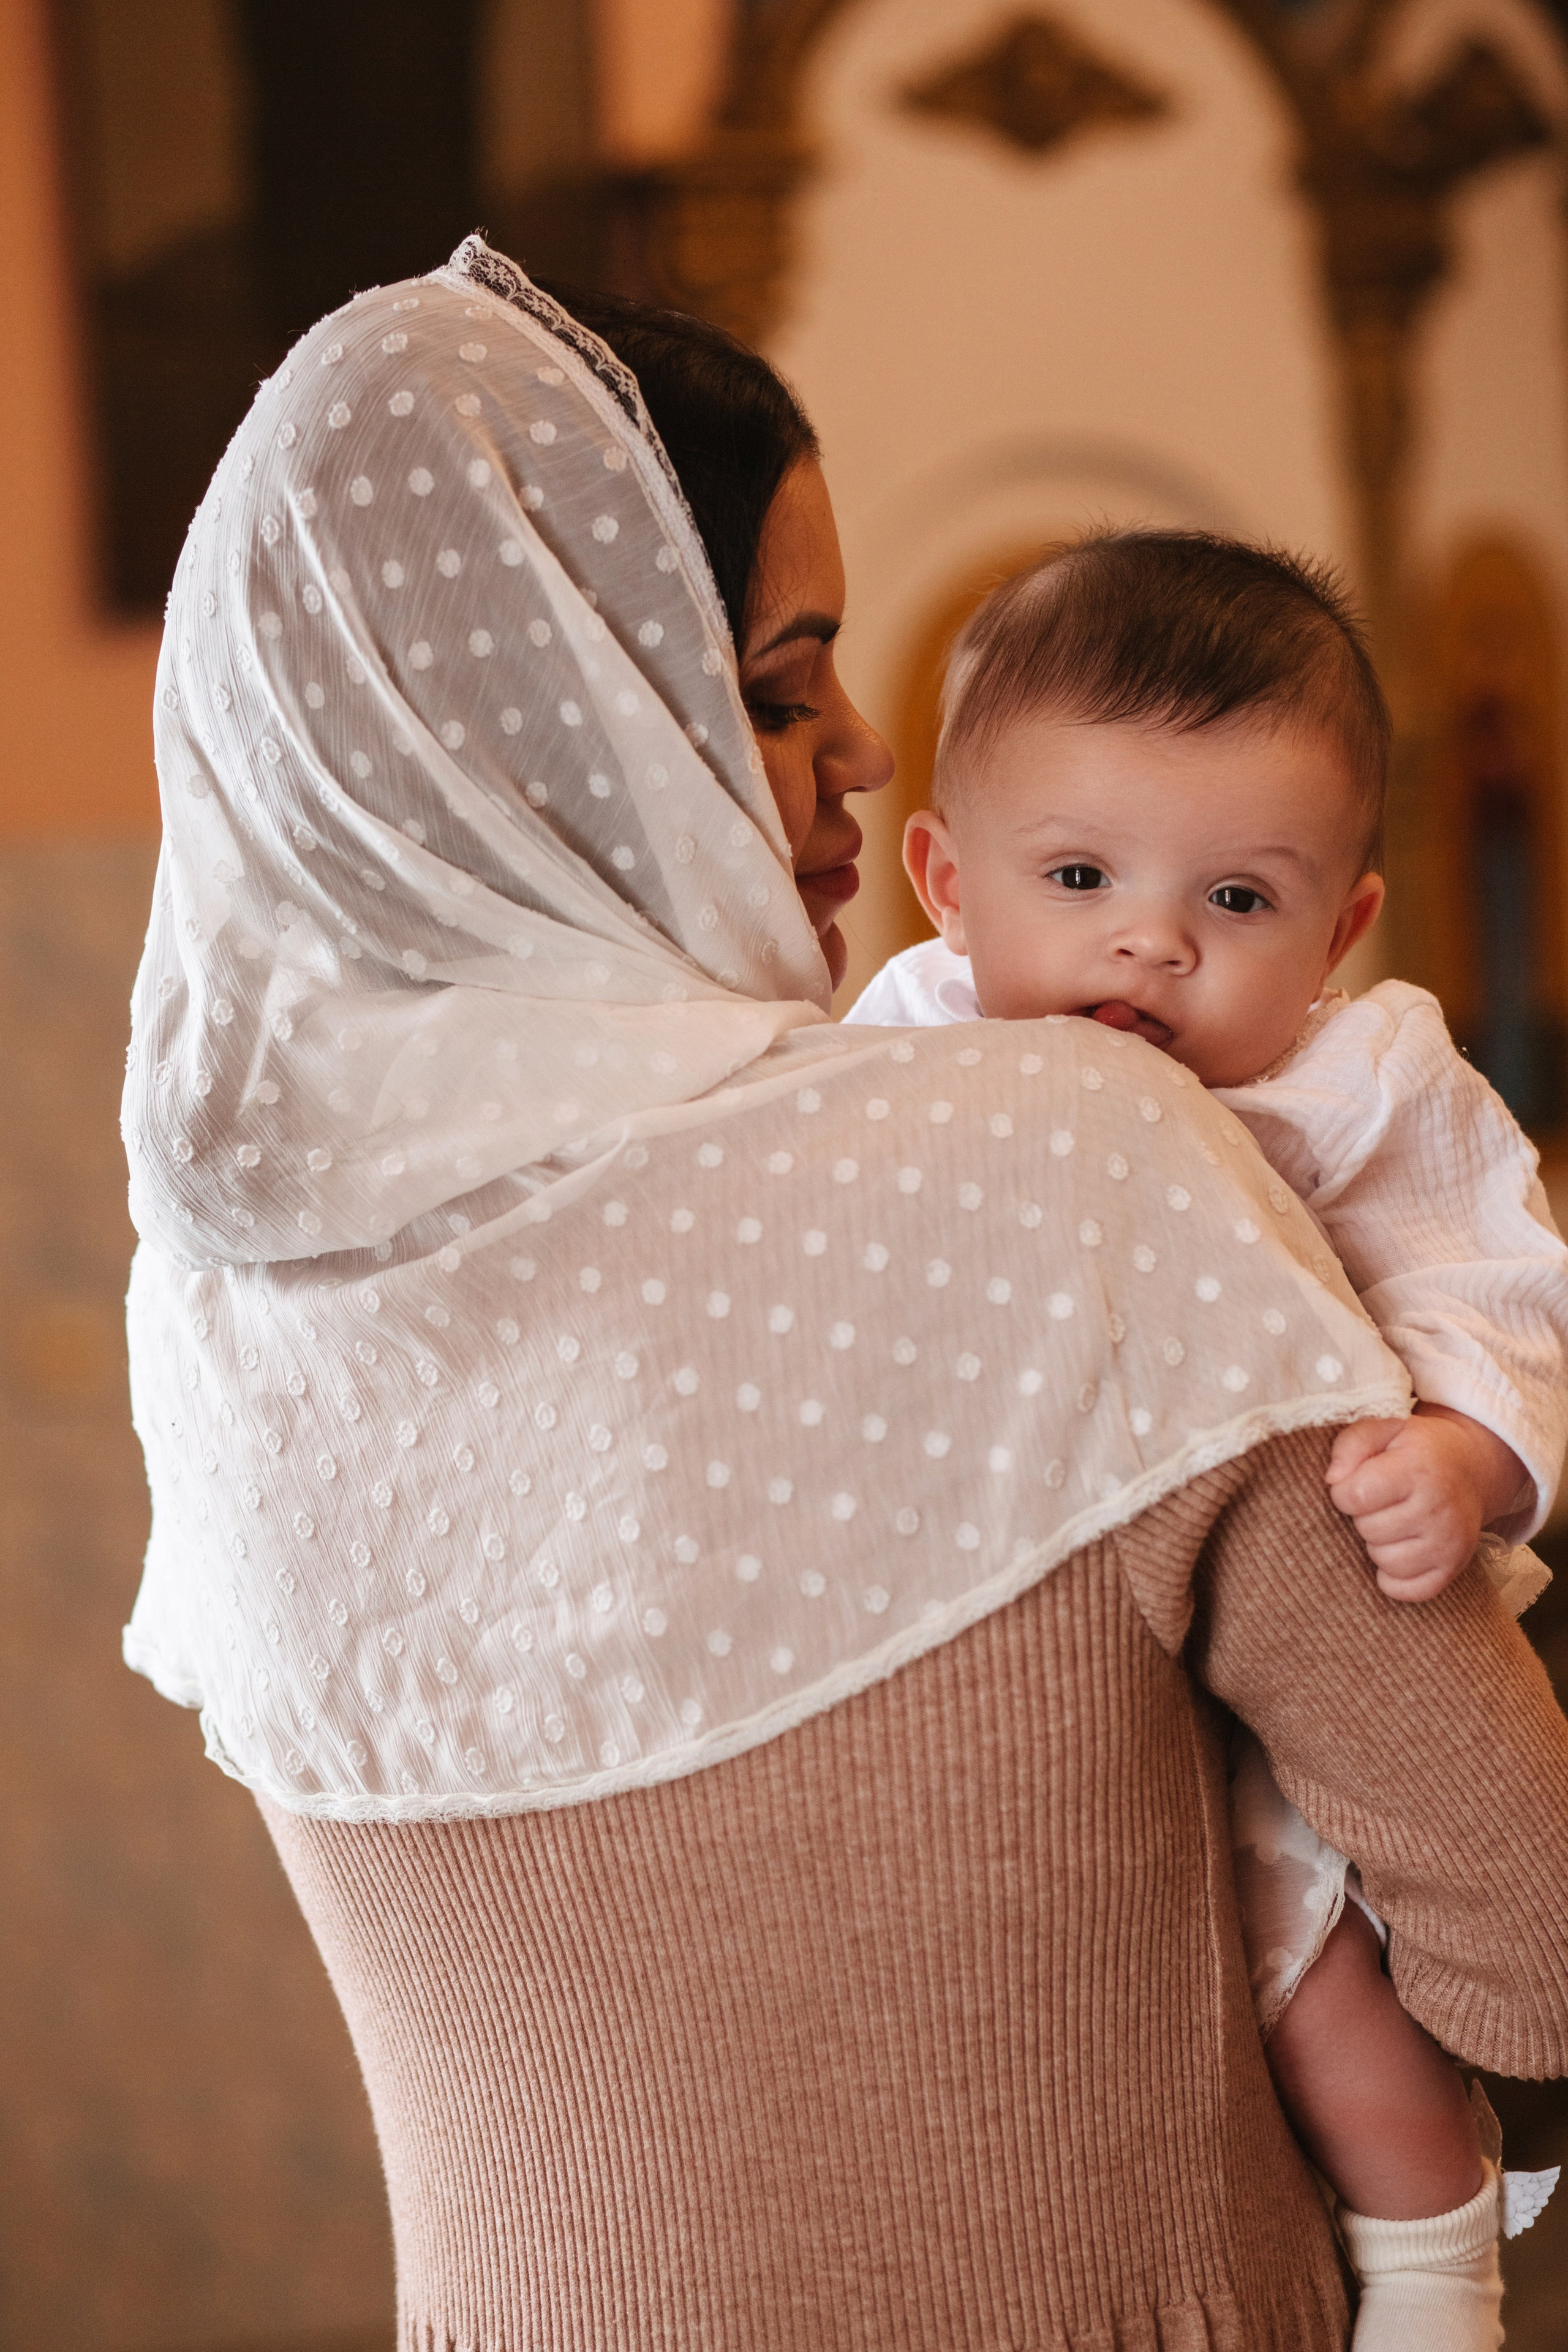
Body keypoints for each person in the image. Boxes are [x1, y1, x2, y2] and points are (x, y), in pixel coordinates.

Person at [120, 241, 1568, 2351]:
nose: (869, 747)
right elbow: (1525, 1919)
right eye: (783, 678)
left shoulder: (237, 1304)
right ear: (575, 720)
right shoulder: (1057, 1147)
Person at [845, 530, 1568, 2345]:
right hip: (1052, 1643)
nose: (1151, 938)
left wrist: (1466, 1458)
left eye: (1239, 901)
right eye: (1080, 873)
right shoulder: (900, 1061)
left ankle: (1438, 2280)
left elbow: (1507, 1286)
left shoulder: (1361, 1081)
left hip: (1324, 1608)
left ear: (1342, 925)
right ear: (945, 881)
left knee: (1336, 2010)